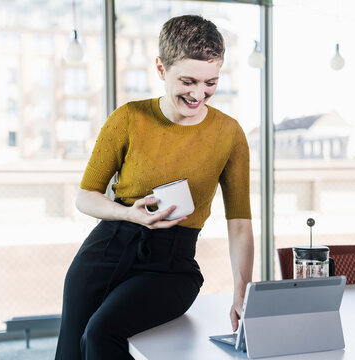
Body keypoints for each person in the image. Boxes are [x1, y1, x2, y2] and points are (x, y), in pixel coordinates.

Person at [55, 14, 254, 359]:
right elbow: (85, 197)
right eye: (188, 80)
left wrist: (243, 289)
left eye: (210, 82)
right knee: (73, 349)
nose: (198, 94)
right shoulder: (128, 119)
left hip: (172, 266)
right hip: (106, 249)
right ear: (161, 69)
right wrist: (128, 214)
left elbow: (239, 223)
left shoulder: (229, 134)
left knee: (102, 333)